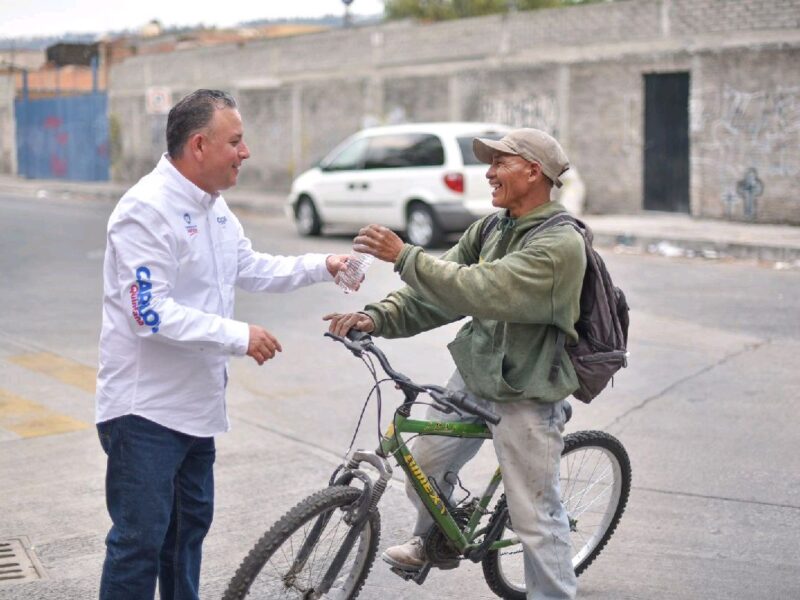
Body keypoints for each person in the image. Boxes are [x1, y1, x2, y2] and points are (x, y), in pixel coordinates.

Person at [95, 89, 349, 600]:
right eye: (235, 141)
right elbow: (150, 313)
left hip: (196, 410)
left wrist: (321, 266)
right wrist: (239, 336)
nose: (245, 151)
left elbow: (249, 267)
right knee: (139, 544)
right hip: (145, 413)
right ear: (198, 145)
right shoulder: (146, 210)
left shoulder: (213, 208)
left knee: (185, 538)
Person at [325, 128, 585, 599]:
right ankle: (436, 540)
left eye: (500, 163)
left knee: (536, 520)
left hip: (527, 390)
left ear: (534, 172)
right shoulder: (491, 227)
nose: (488, 172)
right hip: (475, 370)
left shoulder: (560, 245)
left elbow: (480, 288)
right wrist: (376, 316)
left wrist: (404, 255)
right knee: (423, 460)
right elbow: (441, 294)